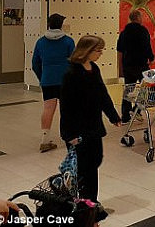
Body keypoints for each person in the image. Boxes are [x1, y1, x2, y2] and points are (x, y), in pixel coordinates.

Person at [60, 35, 121, 203]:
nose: (101, 53)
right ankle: (85, 202)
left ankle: (91, 200)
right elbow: (66, 106)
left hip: (94, 126)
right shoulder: (71, 73)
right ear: (86, 51)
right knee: (84, 167)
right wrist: (68, 134)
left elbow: (102, 94)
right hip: (77, 129)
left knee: (95, 161)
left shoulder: (94, 68)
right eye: (98, 50)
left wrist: (113, 115)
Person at [32, 13, 75, 153]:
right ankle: (68, 137)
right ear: (61, 25)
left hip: (48, 80)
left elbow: (35, 63)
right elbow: (74, 61)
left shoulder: (40, 42)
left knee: (48, 108)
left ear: (49, 24)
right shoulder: (68, 41)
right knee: (67, 109)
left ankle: (45, 141)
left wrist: (42, 77)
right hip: (66, 80)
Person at [117, 9, 154, 123]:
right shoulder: (143, 31)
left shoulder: (124, 32)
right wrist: (151, 57)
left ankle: (125, 116)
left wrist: (120, 67)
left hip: (128, 65)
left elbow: (120, 50)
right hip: (141, 65)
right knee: (147, 87)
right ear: (138, 18)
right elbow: (147, 46)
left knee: (128, 90)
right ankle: (136, 109)